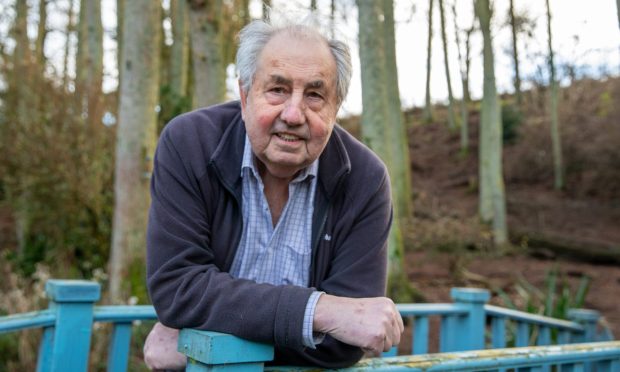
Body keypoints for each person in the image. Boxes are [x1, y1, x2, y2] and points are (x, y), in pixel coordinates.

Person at [144, 13, 404, 370]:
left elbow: (345, 344)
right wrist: (321, 311)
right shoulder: (189, 144)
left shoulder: (365, 179)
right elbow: (177, 289)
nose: (294, 114)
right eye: (277, 89)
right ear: (245, 93)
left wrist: (194, 338)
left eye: (315, 95)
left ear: (335, 108)